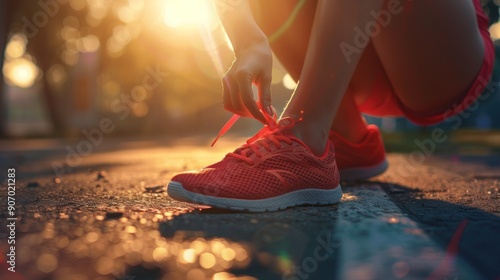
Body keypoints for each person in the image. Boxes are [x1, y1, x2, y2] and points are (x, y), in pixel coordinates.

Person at [167, 0, 495, 212]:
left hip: (440, 58)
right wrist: (249, 41)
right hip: (367, 61)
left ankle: (305, 134)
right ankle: (344, 136)